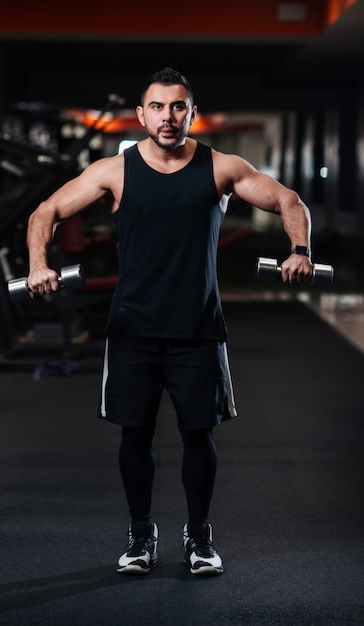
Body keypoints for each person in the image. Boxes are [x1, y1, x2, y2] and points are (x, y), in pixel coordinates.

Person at [26, 67, 313, 576]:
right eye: (157, 107)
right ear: (141, 115)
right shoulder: (114, 171)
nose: (167, 116)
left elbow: (287, 200)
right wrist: (37, 265)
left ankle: (199, 538)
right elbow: (45, 211)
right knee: (133, 435)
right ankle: (141, 536)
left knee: (198, 434)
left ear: (192, 114)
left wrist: (299, 249)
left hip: (198, 329)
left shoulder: (221, 168)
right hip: (132, 328)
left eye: (178, 106)